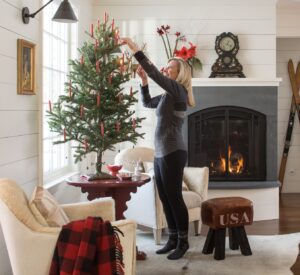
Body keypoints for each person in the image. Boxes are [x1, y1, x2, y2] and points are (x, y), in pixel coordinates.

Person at [122, 37, 195, 260]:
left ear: (179, 72)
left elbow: (156, 73)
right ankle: (172, 238)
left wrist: (135, 49)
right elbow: (146, 103)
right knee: (165, 196)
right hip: (161, 152)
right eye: (166, 66)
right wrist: (143, 82)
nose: (165, 69)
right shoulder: (167, 95)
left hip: (174, 152)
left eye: (169, 67)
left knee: (174, 197)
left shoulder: (178, 91)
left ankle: (183, 242)